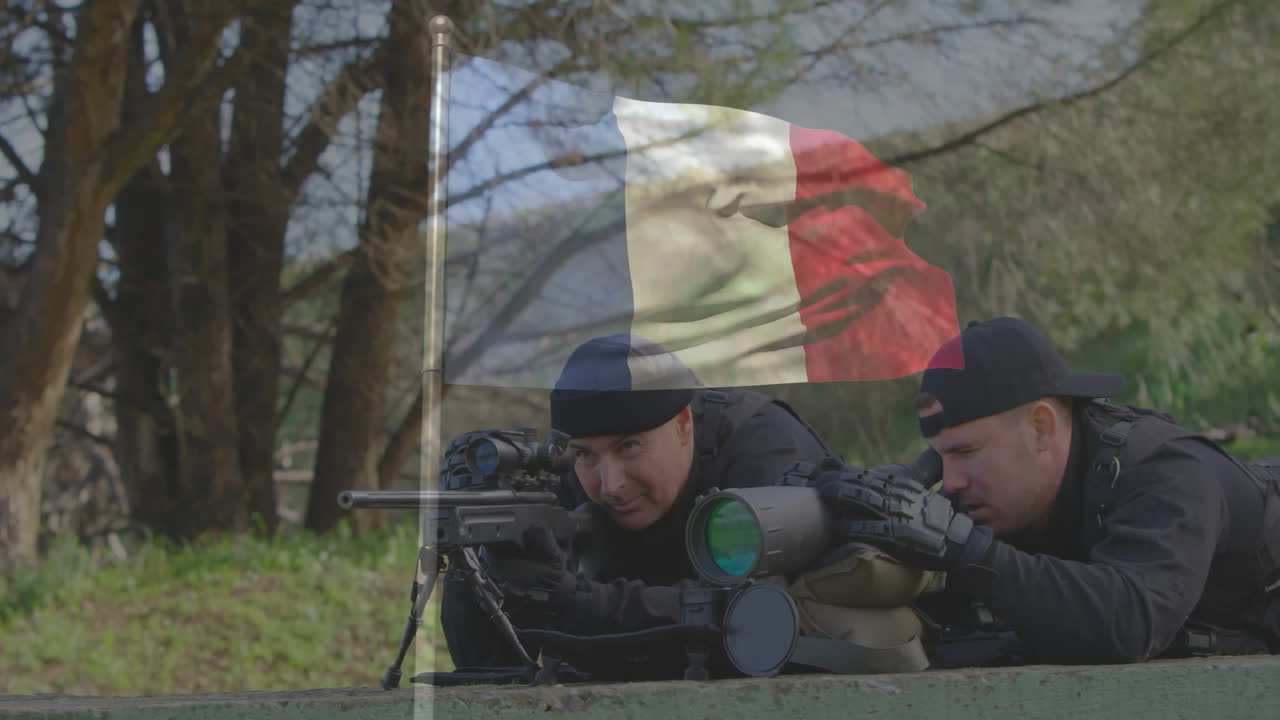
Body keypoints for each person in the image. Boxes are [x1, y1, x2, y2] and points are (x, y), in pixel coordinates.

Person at [799, 316, 1280, 665]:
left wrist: (963, 549)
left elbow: (1128, 624)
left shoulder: (1167, 474)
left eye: (965, 452)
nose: (953, 480)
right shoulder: (1002, 496)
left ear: (1041, 427)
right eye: (938, 459)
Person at [438, 333, 835, 679]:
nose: (610, 486)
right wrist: (487, 564)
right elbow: (485, 675)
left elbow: (760, 623)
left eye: (629, 446)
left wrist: (575, 601)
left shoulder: (763, 450)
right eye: (584, 454)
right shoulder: (562, 476)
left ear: (683, 425)